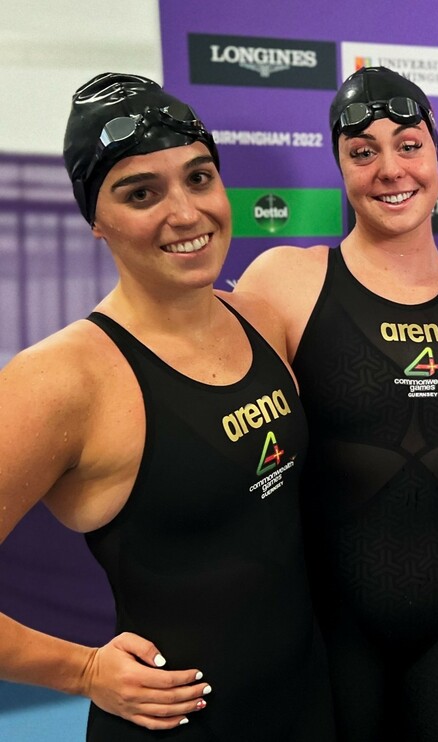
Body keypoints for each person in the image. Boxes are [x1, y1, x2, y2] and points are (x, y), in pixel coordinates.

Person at [0, 73, 334, 739]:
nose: (185, 213)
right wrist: (82, 671)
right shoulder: (61, 380)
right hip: (172, 724)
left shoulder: (261, 320)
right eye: (141, 193)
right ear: (96, 220)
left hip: (304, 704)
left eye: (199, 178)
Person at [234, 66, 438, 741]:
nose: (390, 169)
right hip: (331, 609)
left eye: (408, 145)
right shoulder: (285, 281)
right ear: (341, 167)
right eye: (363, 151)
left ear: (435, 153)